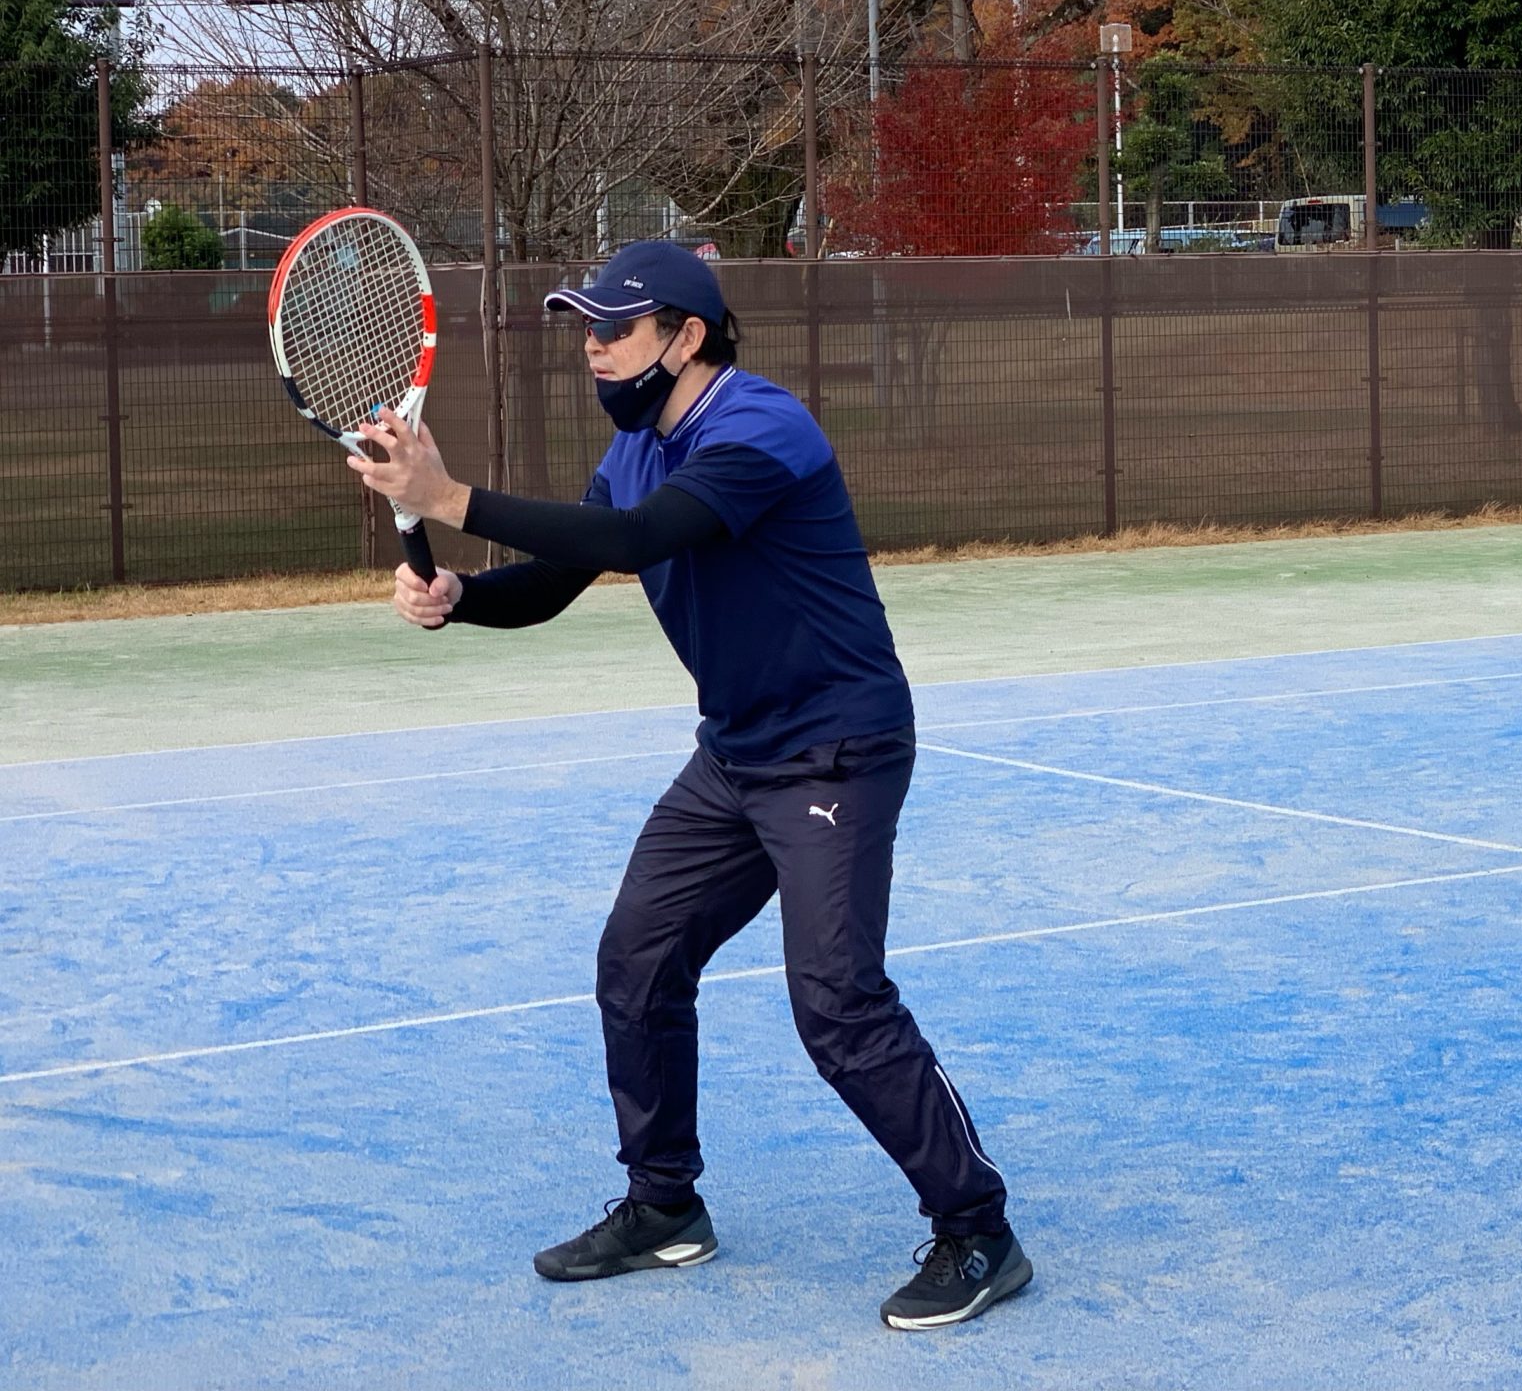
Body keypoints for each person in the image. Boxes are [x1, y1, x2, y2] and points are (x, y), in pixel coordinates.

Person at [347, 239, 1031, 1332]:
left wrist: (450, 494)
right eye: (586, 329)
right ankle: (665, 1205)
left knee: (838, 1006)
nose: (593, 349)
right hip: (736, 753)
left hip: (836, 749)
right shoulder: (633, 451)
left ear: (687, 335)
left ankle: (979, 1232)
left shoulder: (761, 427)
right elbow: (559, 579)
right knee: (637, 962)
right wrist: (463, 598)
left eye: (615, 330)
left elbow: (640, 538)